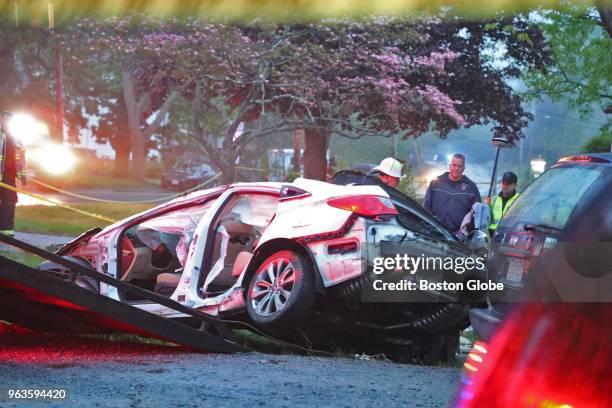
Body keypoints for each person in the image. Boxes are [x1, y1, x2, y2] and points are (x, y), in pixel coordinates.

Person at [423, 153, 481, 235]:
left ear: (463, 168)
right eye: (454, 165)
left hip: (458, 237)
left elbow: (477, 214)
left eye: (459, 166)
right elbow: (426, 207)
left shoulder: (471, 188)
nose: (456, 168)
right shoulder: (436, 183)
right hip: (435, 232)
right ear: (450, 166)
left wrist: (470, 234)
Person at [0, 111, 27, 237]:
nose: (7, 124)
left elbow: (21, 158)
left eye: (10, 121)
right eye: (5, 120)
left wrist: (23, 175)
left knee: (10, 202)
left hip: (9, 177)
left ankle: (7, 231)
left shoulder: (16, 138)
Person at [484, 171, 519, 237]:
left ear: (515, 185)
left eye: (508, 183)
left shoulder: (519, 199)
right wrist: (485, 206)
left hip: (510, 235)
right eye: (503, 182)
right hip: (492, 235)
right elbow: (486, 217)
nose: (505, 186)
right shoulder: (494, 199)